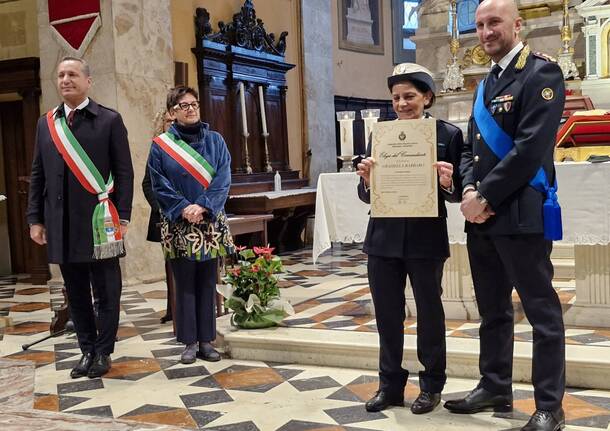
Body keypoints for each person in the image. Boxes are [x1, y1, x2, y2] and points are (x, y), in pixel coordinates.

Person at [444, 1, 566, 430]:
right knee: (492, 310)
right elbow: (467, 152)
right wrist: (470, 188)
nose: (485, 32)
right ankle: (494, 385)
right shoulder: (485, 84)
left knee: (541, 313)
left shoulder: (541, 74)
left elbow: (530, 147)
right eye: (478, 25)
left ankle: (550, 406)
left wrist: (486, 195)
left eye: (493, 22)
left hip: (520, 213)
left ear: (517, 24)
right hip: (483, 217)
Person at [356, 63, 464, 414]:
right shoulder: (380, 135)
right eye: (396, 97)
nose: (402, 103)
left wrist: (448, 183)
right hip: (383, 237)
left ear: (427, 98)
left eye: (410, 96)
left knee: (430, 315)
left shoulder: (447, 134)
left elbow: (457, 193)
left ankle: (432, 385)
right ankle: (390, 385)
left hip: (425, 238)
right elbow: (364, 193)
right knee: (387, 315)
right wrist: (368, 181)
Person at [26, 56, 134, 378]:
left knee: (106, 291)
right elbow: (38, 174)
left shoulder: (109, 120)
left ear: (88, 81)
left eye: (72, 74)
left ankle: (103, 351)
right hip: (61, 224)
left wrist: (123, 217)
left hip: (100, 223)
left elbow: (124, 173)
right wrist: (35, 219)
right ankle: (86, 350)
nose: (65, 80)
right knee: (75, 293)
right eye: (60, 75)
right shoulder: (46, 124)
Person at [147, 86, 234, 364]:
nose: (191, 108)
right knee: (184, 284)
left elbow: (223, 177)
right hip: (178, 225)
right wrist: (183, 208)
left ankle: (207, 341)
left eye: (194, 103)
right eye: (184, 105)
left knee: (208, 282)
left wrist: (204, 206)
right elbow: (157, 183)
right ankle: (188, 342)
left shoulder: (216, 140)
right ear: (172, 112)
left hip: (208, 223)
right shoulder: (161, 146)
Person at [142, 109, 175, 324]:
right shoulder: (158, 148)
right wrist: (162, 208)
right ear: (161, 124)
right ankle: (173, 309)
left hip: (190, 215)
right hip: (165, 217)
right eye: (168, 121)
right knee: (170, 265)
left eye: (174, 121)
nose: (171, 124)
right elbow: (147, 184)